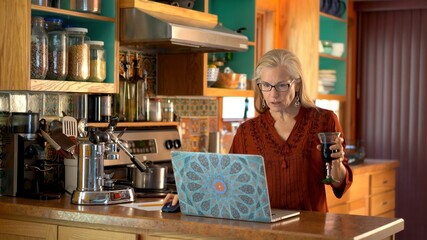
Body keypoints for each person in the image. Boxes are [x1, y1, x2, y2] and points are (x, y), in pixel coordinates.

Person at [164, 49, 353, 212]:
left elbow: (340, 186)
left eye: (281, 85)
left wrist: (337, 165)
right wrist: (187, 197)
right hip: (262, 231)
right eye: (266, 86)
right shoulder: (247, 131)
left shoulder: (324, 120)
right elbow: (226, 184)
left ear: (297, 84)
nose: (273, 94)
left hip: (311, 232)